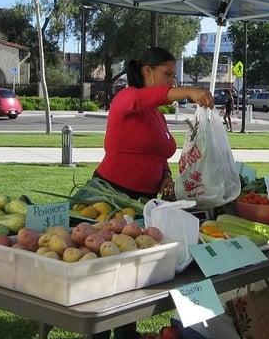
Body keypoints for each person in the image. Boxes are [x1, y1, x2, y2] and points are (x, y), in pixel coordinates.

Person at [93, 47, 214, 339]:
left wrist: (166, 176)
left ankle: (126, 333)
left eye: (174, 75)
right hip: (108, 197)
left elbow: (160, 155)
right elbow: (152, 96)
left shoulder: (156, 117)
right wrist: (189, 92)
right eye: (167, 74)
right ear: (147, 71)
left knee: (132, 276)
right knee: (106, 275)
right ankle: (96, 333)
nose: (171, 81)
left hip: (142, 205)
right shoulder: (127, 98)